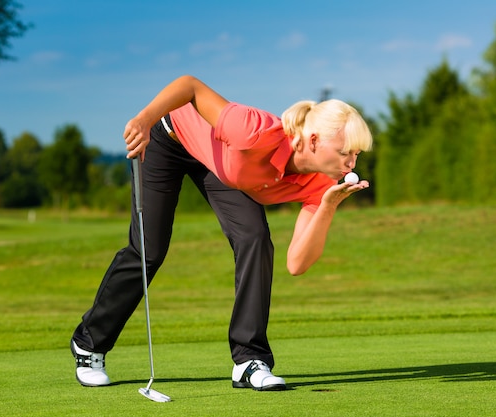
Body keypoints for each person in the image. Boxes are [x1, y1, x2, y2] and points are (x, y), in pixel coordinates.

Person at [71, 75, 373, 391]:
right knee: (149, 249)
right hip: (168, 139)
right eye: (345, 152)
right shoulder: (253, 130)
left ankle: (248, 360)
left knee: (254, 238)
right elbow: (189, 86)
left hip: (220, 164)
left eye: (356, 155)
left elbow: (297, 264)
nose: (351, 163)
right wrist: (145, 120)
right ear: (313, 141)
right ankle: (89, 343)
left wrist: (327, 206)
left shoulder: (322, 184)